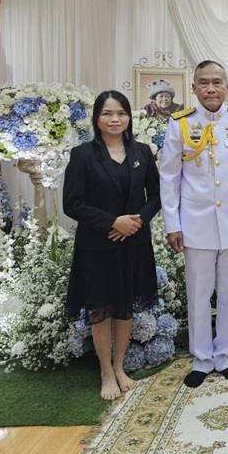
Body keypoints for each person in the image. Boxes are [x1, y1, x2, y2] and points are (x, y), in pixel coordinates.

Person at [159, 60, 228, 387]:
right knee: (199, 293)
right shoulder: (179, 124)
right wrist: (172, 223)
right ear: (193, 88)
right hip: (196, 222)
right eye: (203, 83)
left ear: (227, 87)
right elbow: (169, 176)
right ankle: (202, 359)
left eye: (216, 82)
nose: (210, 88)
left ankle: (225, 356)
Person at [64, 90, 161, 401]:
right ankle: (105, 372)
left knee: (125, 307)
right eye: (107, 113)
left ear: (129, 117)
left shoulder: (142, 152)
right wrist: (112, 222)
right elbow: (72, 203)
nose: (114, 119)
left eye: (120, 113)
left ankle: (119, 367)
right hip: (98, 245)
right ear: (96, 118)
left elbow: (157, 195)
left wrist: (137, 221)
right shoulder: (82, 155)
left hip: (135, 242)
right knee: (101, 309)